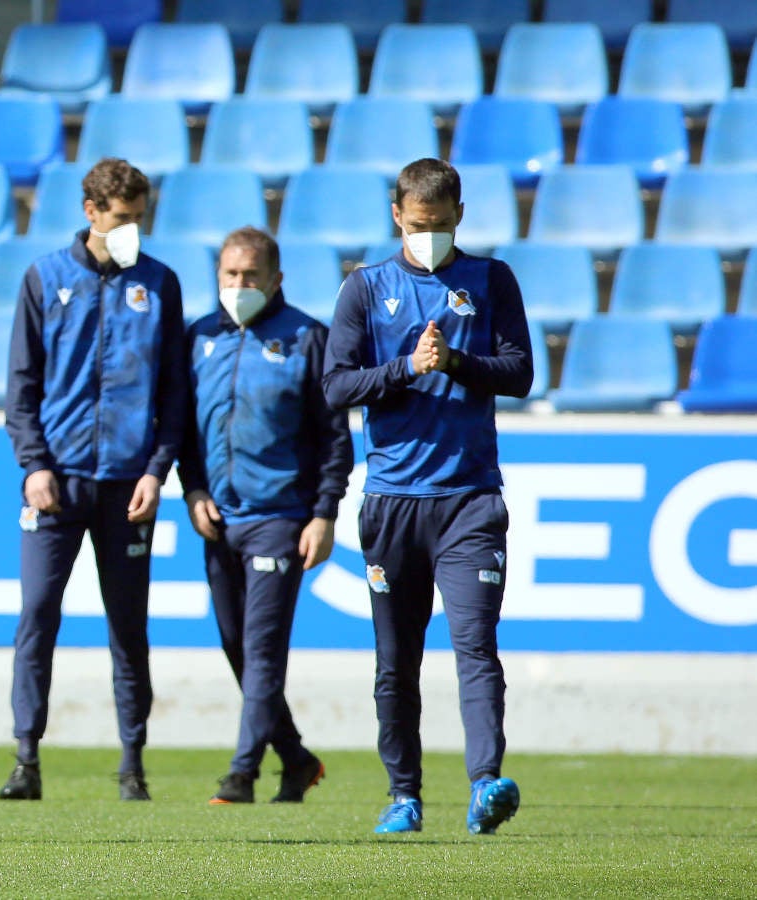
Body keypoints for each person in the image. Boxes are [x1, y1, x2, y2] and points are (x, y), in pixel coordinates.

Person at [322, 158, 533, 835]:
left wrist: (457, 363)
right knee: (397, 661)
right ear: (397, 216)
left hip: (469, 498)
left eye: (440, 226)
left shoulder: (491, 279)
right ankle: (403, 795)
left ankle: (486, 782)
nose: (429, 237)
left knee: (475, 644)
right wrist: (406, 368)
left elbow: (520, 372)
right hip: (392, 500)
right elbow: (335, 386)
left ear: (459, 217)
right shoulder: (366, 287)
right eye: (418, 226)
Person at [0, 157, 189, 802]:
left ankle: (132, 762)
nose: (133, 229)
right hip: (56, 482)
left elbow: (174, 393)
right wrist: (34, 465)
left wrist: (156, 471)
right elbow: (21, 387)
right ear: (92, 213)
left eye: (140, 218)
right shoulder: (44, 278)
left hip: (127, 486)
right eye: (123, 218)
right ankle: (26, 758)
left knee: (128, 624)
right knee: (37, 615)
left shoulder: (160, 283)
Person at [178, 227, 353, 806]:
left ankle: (242, 772)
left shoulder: (308, 338)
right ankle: (297, 759)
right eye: (229, 275)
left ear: (276, 279)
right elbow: (181, 429)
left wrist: (323, 513)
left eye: (250, 276)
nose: (238, 285)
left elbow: (334, 438)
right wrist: (193, 490)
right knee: (235, 644)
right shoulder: (199, 337)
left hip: (281, 516)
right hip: (218, 518)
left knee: (263, 647)